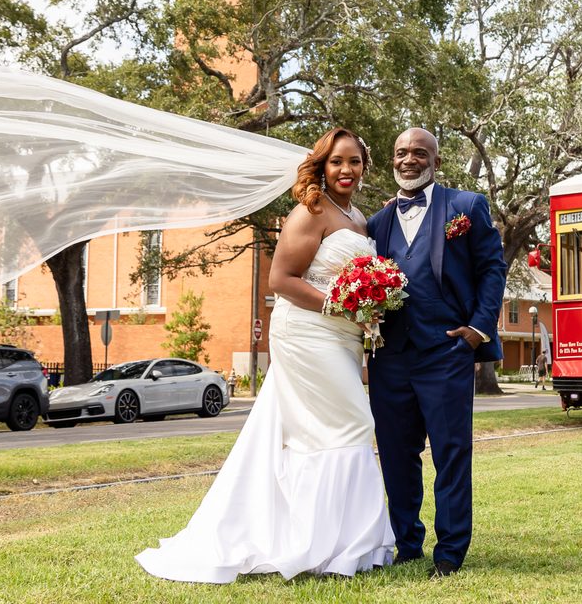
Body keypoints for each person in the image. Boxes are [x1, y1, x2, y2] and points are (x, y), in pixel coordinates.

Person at [136, 127, 394, 582]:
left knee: (316, 433)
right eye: (337, 161)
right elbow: (280, 280)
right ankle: (330, 546)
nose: (346, 169)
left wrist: (367, 307)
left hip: (343, 337)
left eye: (354, 161)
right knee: (352, 424)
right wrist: (342, 306)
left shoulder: (358, 217)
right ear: (322, 166)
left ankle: (342, 544)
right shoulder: (311, 210)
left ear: (364, 166)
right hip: (307, 333)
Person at [366, 128, 507, 579]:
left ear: (436, 161)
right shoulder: (376, 222)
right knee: (395, 455)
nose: (409, 159)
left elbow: (492, 268)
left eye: (419, 153)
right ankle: (407, 544)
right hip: (390, 358)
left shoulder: (466, 206)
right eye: (401, 152)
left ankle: (449, 553)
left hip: (447, 352)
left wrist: (478, 330)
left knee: (451, 454)